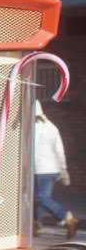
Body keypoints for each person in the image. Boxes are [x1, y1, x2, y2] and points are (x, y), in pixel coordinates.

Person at [34, 100, 79, 239]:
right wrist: (63, 170)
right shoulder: (51, 127)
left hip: (39, 168)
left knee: (40, 198)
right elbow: (60, 151)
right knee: (40, 198)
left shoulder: (34, 127)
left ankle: (66, 218)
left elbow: (31, 149)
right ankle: (34, 224)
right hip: (52, 169)